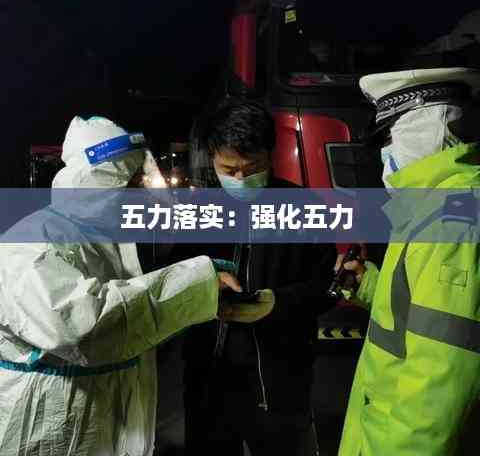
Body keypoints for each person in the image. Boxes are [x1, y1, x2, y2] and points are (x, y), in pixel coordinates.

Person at [0, 115, 242, 456]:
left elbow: (132, 320)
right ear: (99, 184)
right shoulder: (31, 242)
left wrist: (203, 300)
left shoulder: (104, 241)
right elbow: (85, 326)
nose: (141, 191)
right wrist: (195, 286)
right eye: (131, 182)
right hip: (48, 434)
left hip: (102, 427)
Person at [182, 99, 337, 456]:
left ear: (270, 156)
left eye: (252, 168)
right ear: (212, 158)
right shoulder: (196, 211)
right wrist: (204, 282)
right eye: (229, 169)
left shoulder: (305, 207)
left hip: (280, 379)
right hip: (210, 377)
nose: (240, 179)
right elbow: (172, 277)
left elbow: (326, 286)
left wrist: (275, 303)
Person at [338, 67, 480, 455]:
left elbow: (439, 387)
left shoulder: (453, 221)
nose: (385, 153)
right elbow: (429, 313)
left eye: (389, 137)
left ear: (424, 129)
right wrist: (369, 284)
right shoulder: (434, 206)